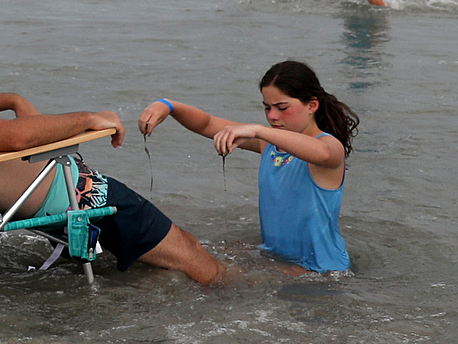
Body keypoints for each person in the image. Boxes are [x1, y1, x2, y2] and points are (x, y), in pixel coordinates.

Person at [0, 8, 227, 283]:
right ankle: (237, 291)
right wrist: (89, 118)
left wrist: (11, 99)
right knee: (192, 253)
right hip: (78, 197)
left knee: (157, 264)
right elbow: (16, 138)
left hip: (34, 199)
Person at [137, 63, 356, 274]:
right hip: (277, 259)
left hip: (321, 271)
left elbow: (324, 153)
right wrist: (169, 105)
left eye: (282, 108)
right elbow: (206, 124)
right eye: (267, 108)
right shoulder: (270, 144)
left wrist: (258, 130)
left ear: (312, 105)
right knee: (197, 252)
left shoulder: (328, 147)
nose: (272, 116)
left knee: (208, 276)